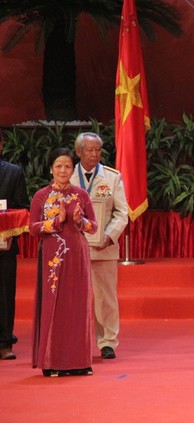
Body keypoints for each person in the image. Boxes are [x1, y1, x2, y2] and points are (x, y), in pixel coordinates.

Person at [29, 147, 98, 377]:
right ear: (51, 168)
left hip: (77, 255)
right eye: (58, 166)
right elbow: (33, 229)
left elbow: (93, 226)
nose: (62, 170)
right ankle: (53, 362)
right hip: (52, 258)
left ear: (73, 169)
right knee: (55, 306)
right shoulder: (41, 196)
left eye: (67, 166)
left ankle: (80, 361)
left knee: (77, 306)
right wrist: (56, 222)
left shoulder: (81, 195)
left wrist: (80, 221)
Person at [69, 132, 128, 360]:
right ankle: (75, 340)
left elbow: (122, 213)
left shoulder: (112, 177)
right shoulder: (67, 176)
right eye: (89, 150)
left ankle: (107, 342)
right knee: (74, 297)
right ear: (78, 152)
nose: (94, 155)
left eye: (98, 150)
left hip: (104, 248)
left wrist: (108, 236)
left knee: (106, 297)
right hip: (74, 249)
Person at [0, 128, 28, 361]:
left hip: (4, 245)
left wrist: (11, 233)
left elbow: (22, 207)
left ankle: (5, 343)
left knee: (5, 293)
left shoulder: (13, 172)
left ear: (1, 145)